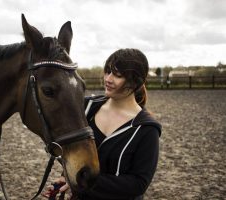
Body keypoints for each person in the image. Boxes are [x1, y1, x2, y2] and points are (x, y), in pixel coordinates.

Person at [43, 48, 162, 200]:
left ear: (135, 82)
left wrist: (82, 181)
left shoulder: (146, 129)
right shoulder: (86, 107)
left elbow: (138, 184)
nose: (108, 79)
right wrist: (67, 178)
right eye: (107, 71)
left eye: (117, 75)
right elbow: (75, 152)